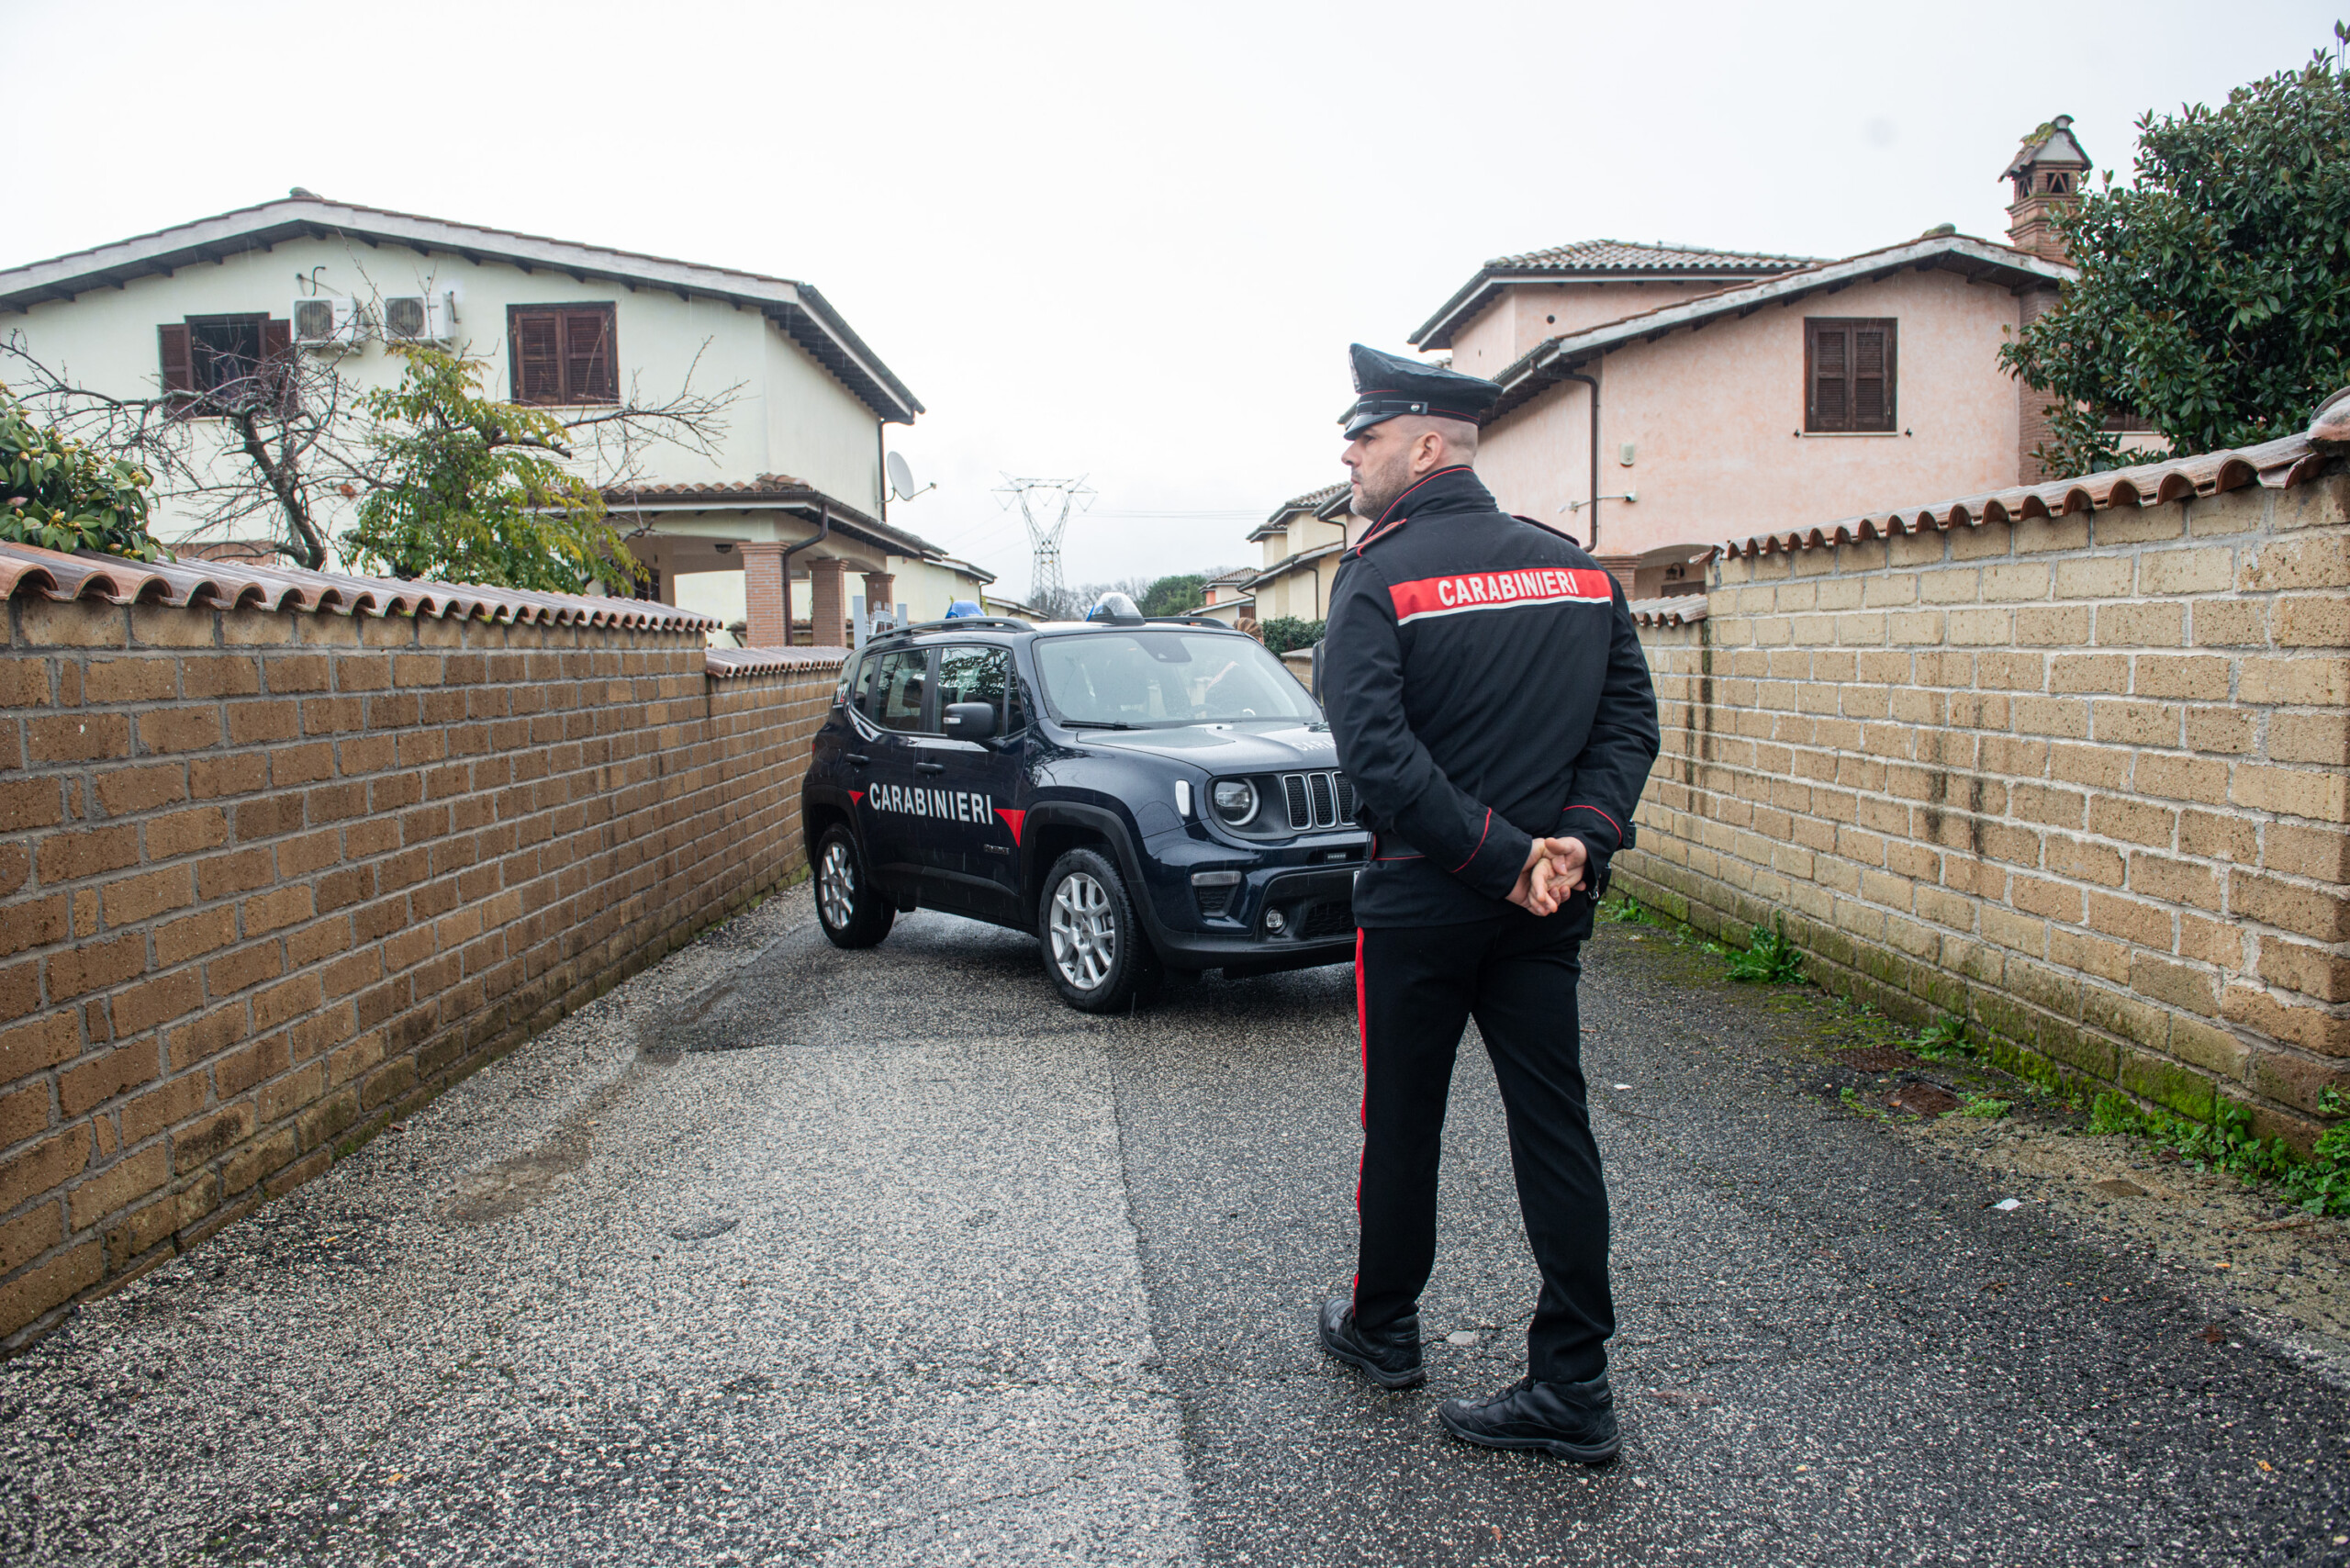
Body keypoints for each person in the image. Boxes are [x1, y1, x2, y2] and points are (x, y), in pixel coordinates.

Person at [1317, 342, 1661, 1462]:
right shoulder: (1575, 568)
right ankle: (1574, 1385)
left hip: (1423, 905)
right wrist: (1570, 845)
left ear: (1424, 446)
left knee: (1402, 1124)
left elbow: (1374, 755)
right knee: (1553, 1129)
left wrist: (1495, 854)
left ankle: (1383, 1331)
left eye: (1363, 438)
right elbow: (1627, 728)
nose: (1348, 455)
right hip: (1542, 908)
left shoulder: (1377, 574)